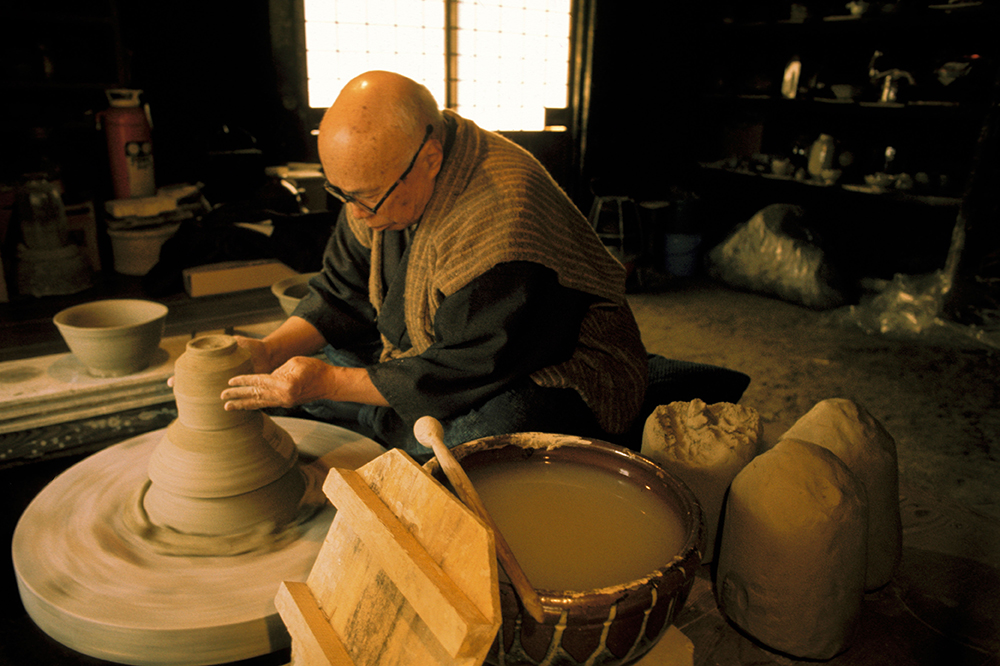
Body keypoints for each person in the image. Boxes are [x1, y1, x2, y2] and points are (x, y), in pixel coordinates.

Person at [220, 71, 650, 460]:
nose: (356, 214)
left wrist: (330, 383)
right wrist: (270, 350)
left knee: (496, 431)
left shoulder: (506, 220)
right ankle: (379, 416)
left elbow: (472, 365)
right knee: (297, 367)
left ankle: (374, 417)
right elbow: (341, 290)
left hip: (540, 365)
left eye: (365, 197)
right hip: (435, 352)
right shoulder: (377, 183)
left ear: (429, 158)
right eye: (342, 194)